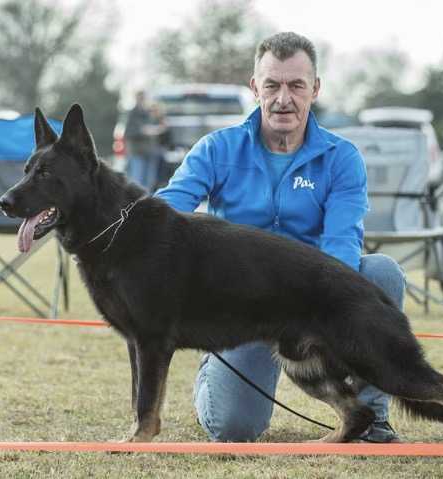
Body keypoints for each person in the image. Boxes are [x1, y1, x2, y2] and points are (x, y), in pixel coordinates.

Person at [155, 32, 405, 443]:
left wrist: (316, 320)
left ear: (315, 89)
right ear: (255, 88)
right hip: (239, 311)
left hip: (312, 302)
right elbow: (165, 213)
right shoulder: (216, 149)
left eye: (296, 85)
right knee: (234, 428)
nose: (283, 98)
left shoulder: (341, 157)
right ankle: (211, 369)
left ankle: (371, 417)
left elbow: (342, 244)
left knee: (381, 273)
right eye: (272, 85)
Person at [124, 91, 163, 191]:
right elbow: (128, 132)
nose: (143, 100)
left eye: (144, 98)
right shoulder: (132, 113)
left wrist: (159, 126)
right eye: (141, 98)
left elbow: (160, 127)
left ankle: (147, 202)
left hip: (151, 151)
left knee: (150, 181)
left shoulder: (149, 113)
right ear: (136, 99)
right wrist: (143, 131)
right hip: (137, 152)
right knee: (137, 179)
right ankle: (136, 203)